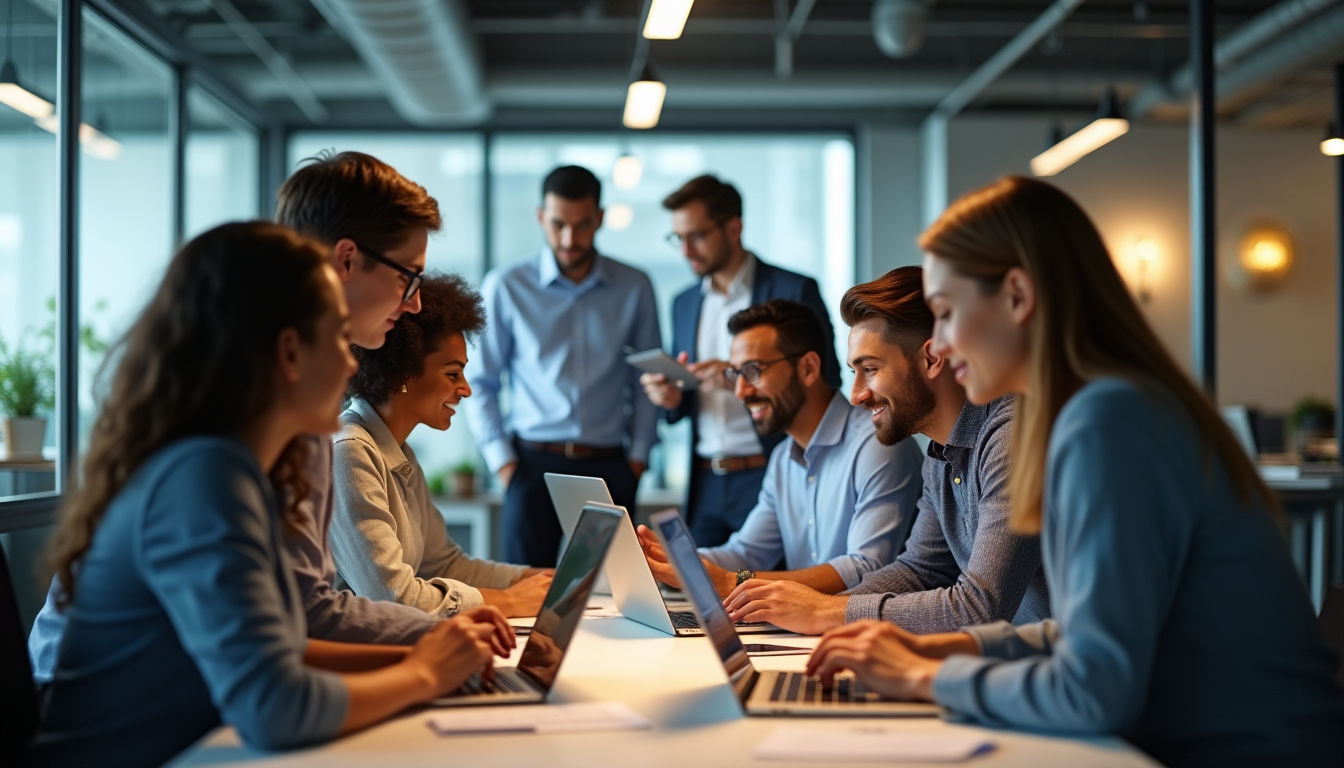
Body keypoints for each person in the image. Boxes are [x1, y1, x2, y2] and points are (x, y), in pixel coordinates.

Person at [805, 177, 1344, 767]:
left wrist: (927, 679)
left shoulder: (1106, 422)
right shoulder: (1100, 408)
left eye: (949, 312)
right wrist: (946, 650)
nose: (943, 345)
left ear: (1016, 296)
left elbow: (1095, 688)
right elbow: (1085, 632)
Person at [30, 223, 514, 768]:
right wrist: (424, 672)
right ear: (289, 352)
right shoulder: (205, 475)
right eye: (337, 336)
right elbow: (275, 706)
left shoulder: (229, 466)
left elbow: (280, 652)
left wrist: (427, 648)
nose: (354, 363)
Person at [28, 151, 453, 683]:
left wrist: (437, 650)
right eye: (407, 278)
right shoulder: (220, 454)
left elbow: (278, 640)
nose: (414, 304)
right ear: (345, 261)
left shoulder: (249, 417)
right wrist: (432, 658)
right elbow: (281, 669)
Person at [722, 267, 1048, 635]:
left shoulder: (1013, 436)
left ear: (932, 359)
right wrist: (826, 610)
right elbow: (919, 570)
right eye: (854, 373)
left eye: (871, 369)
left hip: (1075, 679)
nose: (857, 395)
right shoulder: (940, 456)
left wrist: (828, 613)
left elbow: (981, 606)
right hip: (1020, 663)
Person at [637, 299, 924, 598]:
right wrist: (670, 561)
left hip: (862, 633)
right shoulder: (783, 459)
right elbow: (746, 552)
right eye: (736, 375)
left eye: (753, 371)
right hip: (802, 631)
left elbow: (864, 568)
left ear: (809, 368)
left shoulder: (877, 444)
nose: (740, 392)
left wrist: (736, 581)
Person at [464, 165, 662, 567]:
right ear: (541, 218)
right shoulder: (505, 285)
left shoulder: (635, 285)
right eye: (558, 225)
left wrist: (638, 458)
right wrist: (503, 462)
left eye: (582, 225)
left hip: (609, 465)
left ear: (600, 219)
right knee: (525, 596)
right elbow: (480, 381)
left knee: (612, 596)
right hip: (530, 466)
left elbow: (648, 379)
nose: (569, 239)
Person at [330, 273, 553, 618]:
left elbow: (444, 563)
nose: (466, 389)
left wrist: (536, 579)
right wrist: (508, 601)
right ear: (403, 372)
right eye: (453, 374)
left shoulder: (400, 453)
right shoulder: (348, 452)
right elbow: (393, 597)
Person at [640, 175, 841, 548]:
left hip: (769, 469)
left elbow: (827, 379)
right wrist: (671, 396)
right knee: (699, 594)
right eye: (677, 238)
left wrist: (737, 376)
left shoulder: (794, 290)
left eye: (696, 235)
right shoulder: (684, 302)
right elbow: (684, 404)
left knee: (766, 591)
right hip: (704, 480)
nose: (685, 250)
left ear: (734, 227)